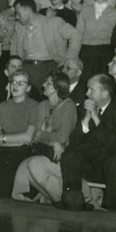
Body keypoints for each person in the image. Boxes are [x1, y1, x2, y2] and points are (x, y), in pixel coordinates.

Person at [58, 74, 116, 211]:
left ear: (105, 92)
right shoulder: (84, 107)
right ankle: (73, 202)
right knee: (69, 155)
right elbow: (74, 141)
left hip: (109, 161)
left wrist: (97, 119)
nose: (87, 93)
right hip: (89, 161)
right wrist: (86, 119)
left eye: (92, 90)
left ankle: (109, 208)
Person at [12, 70, 79, 202]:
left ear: (56, 87)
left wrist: (45, 137)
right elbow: (35, 135)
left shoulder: (68, 107)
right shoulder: (42, 105)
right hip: (46, 148)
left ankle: (56, 198)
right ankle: (41, 196)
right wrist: (52, 141)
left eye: (47, 83)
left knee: (27, 164)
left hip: (60, 154)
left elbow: (61, 138)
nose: (43, 85)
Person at [0, 69, 39, 198]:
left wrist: (4, 138)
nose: (15, 86)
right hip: (2, 151)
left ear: (28, 88)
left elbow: (28, 137)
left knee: (4, 188)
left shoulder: (34, 106)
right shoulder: (2, 107)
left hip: (21, 152)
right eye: (13, 82)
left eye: (21, 83)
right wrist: (11, 140)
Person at [74, 0, 116, 80]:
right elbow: (78, 34)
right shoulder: (85, 10)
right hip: (86, 51)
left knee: (102, 81)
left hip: (105, 52)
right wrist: (75, 54)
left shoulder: (115, 13)